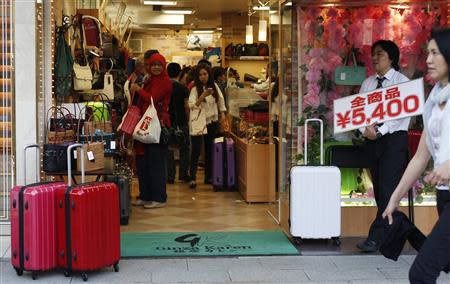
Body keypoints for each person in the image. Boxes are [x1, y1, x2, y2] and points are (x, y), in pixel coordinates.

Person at [383, 28, 450, 283]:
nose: (429, 60)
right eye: (428, 53)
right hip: (444, 197)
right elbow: (421, 156)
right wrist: (395, 197)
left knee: (421, 272)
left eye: (436, 53)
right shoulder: (434, 100)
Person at [357, 40, 411, 252]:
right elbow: (358, 112)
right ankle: (399, 231)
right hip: (372, 141)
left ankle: (375, 238)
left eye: (379, 54)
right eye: (373, 54)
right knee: (380, 189)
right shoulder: (368, 83)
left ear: (391, 57)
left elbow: (402, 114)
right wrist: (366, 131)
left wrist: (380, 130)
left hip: (393, 141)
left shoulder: (402, 82)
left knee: (388, 189)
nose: (374, 58)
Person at [130, 53, 172, 209]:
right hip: (144, 125)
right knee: (143, 163)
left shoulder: (165, 81)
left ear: (163, 66)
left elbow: (152, 99)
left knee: (155, 163)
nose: (156, 67)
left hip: (155, 125)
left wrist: (138, 89)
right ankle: (146, 195)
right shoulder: (149, 80)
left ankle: (159, 197)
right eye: (153, 64)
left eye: (159, 65)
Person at [188, 63, 227, 189]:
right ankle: (192, 177)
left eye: (205, 74)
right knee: (196, 150)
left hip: (212, 121)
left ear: (209, 74)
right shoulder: (195, 89)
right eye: (200, 75)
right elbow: (192, 105)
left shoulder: (214, 86)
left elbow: (221, 101)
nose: (203, 77)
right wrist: (202, 96)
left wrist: (223, 115)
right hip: (199, 122)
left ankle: (208, 176)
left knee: (210, 149)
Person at [166, 62, 190, 183]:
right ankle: (183, 174)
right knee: (184, 149)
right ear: (180, 73)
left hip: (168, 122)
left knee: (169, 149)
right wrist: (188, 120)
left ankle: (170, 176)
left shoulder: (164, 87)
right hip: (182, 122)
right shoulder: (184, 89)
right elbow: (186, 107)